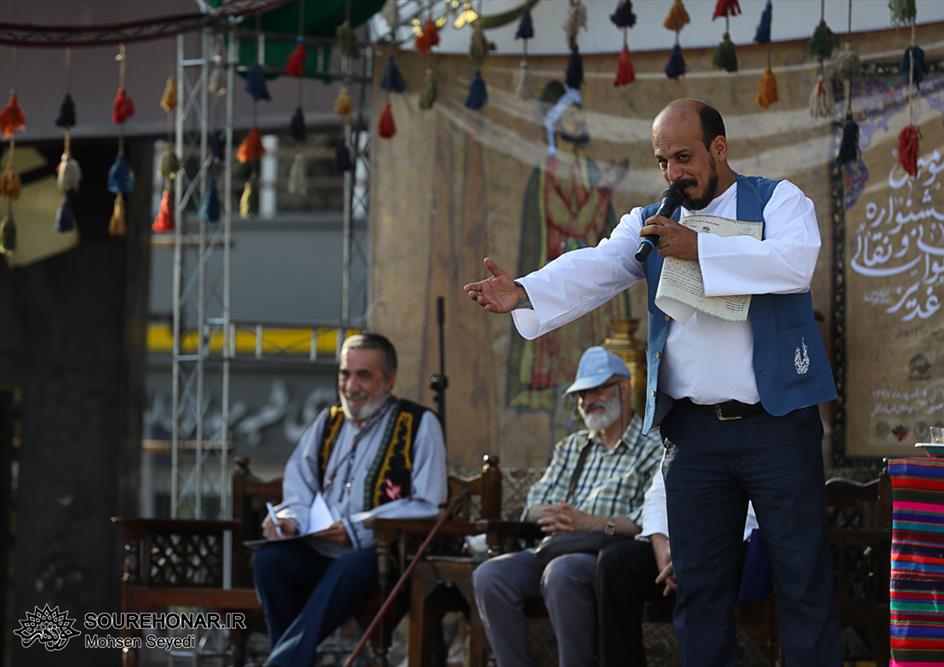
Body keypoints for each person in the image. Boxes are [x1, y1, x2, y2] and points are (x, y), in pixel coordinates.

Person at [465, 98, 841, 666]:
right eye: (663, 161)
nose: (672, 173)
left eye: (683, 158)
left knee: (803, 583)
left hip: (777, 427)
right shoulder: (652, 222)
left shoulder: (778, 200)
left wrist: (700, 248)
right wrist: (523, 291)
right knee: (700, 591)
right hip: (694, 436)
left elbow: (794, 263)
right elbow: (596, 266)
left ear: (719, 148)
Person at [252, 333, 447, 667]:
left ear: (389, 380)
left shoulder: (418, 423)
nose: (351, 386)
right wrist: (289, 521)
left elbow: (430, 503)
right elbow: (299, 487)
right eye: (345, 374)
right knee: (269, 560)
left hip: (382, 556)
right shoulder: (328, 422)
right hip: (321, 550)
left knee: (350, 566)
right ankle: (293, 660)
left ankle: (283, 662)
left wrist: (357, 529)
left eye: (364, 375)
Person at [473, 347, 662, 667]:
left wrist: (590, 522)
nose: (588, 400)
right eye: (581, 395)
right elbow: (534, 503)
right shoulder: (572, 447)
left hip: (605, 554)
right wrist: (553, 515)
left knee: (562, 573)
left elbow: (649, 519)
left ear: (625, 388)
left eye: (597, 390)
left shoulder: (652, 447)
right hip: (555, 545)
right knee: (490, 575)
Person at [507, 79, 629, 412]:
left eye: (580, 113)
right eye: (572, 115)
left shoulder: (587, 166)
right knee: (568, 369)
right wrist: (604, 189)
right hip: (564, 273)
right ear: (557, 123)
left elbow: (597, 226)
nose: (580, 120)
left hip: (590, 275)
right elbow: (571, 223)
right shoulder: (551, 171)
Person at [596, 446, 760, 667]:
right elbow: (658, 495)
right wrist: (661, 543)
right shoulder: (686, 433)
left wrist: (694, 550)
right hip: (676, 547)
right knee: (616, 563)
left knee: (703, 568)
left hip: (734, 545)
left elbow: (754, 513)